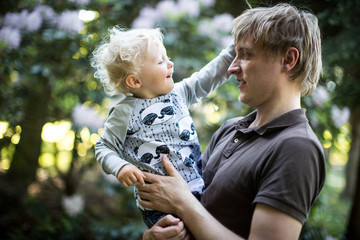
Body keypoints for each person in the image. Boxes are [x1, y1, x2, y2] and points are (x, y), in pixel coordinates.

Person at [136, 3, 326, 240]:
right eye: (235, 54)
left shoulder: (297, 147)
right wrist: (152, 236)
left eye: (245, 55)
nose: (232, 67)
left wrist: (184, 203)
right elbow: (190, 213)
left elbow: (186, 203)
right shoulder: (231, 128)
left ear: (288, 59)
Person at [91, 27, 235, 228]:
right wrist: (121, 167)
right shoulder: (124, 112)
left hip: (198, 191)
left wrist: (236, 48)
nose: (170, 64)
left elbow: (209, 76)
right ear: (135, 80)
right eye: (161, 61)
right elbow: (103, 147)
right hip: (159, 207)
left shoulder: (178, 93)